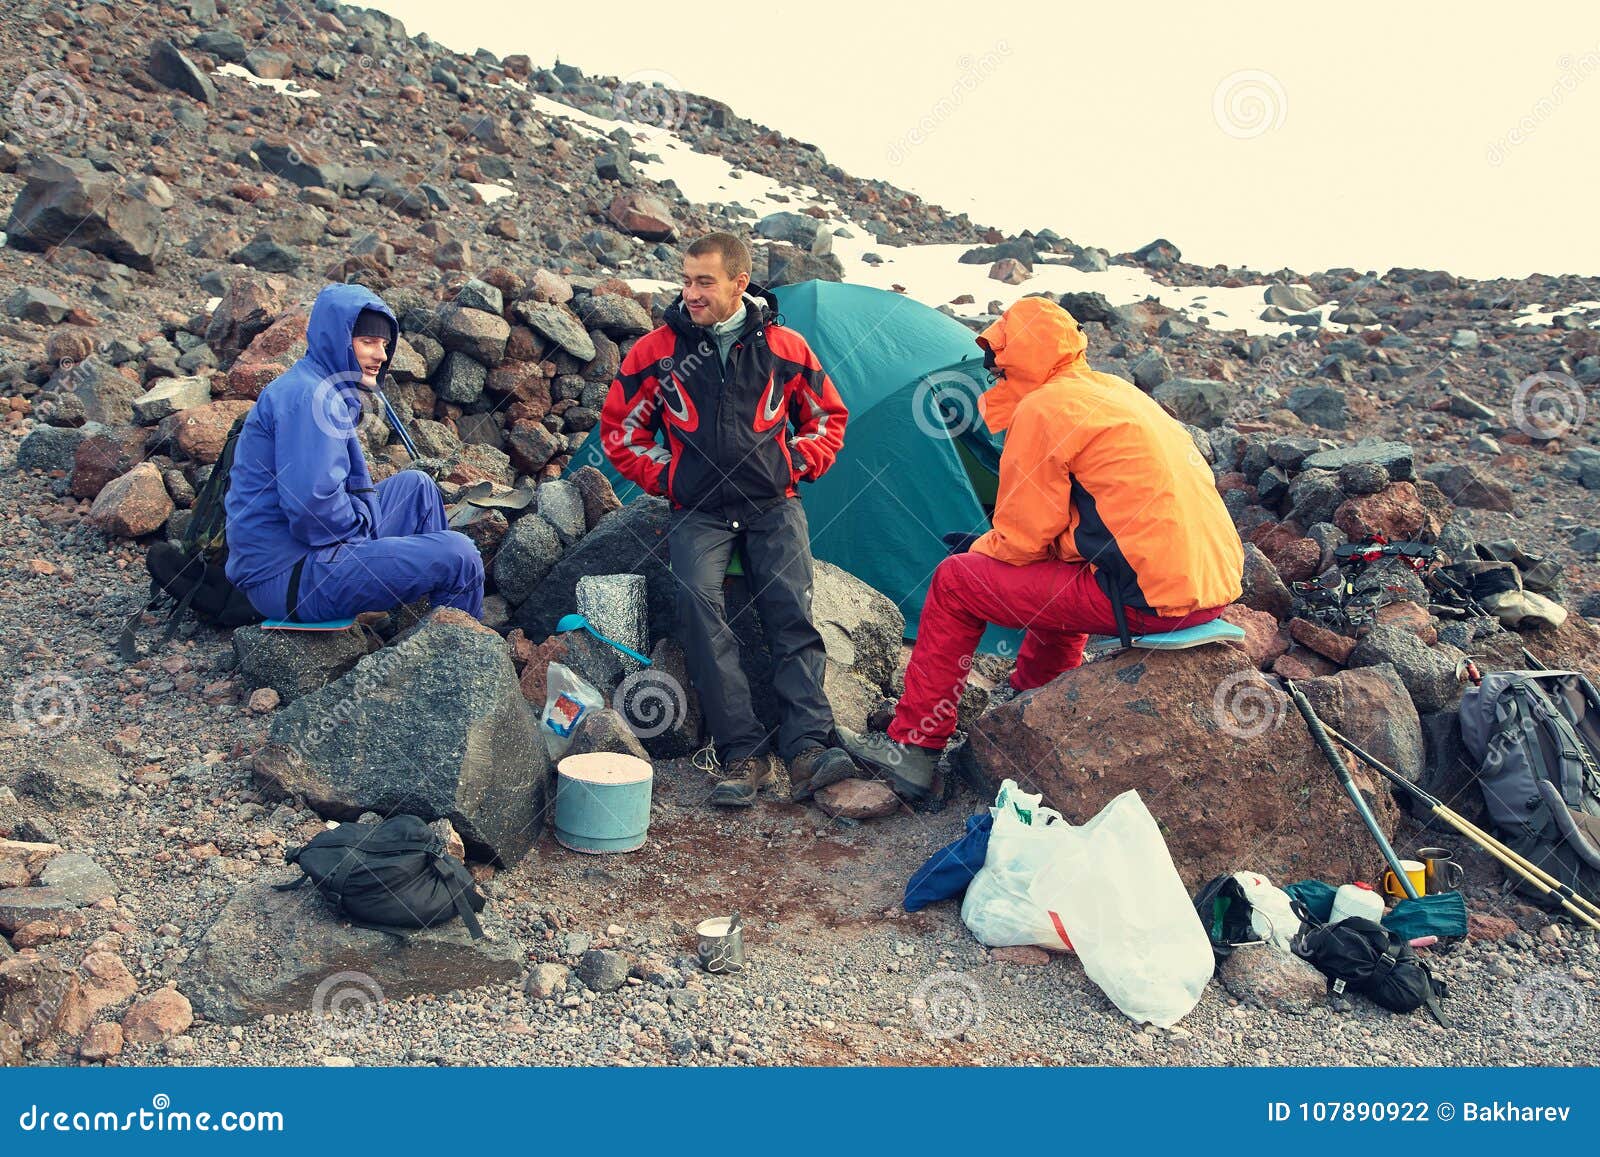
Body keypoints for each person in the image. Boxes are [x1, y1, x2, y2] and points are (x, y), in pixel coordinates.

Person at [839, 297, 1245, 798]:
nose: (992, 368)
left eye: (998, 356)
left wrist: (980, 548)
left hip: (1146, 597)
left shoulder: (1044, 407)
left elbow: (1025, 538)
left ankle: (914, 751)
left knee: (955, 582)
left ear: (1019, 356)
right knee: (1055, 575)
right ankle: (1032, 704)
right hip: (1207, 588)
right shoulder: (1112, 391)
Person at [600, 232, 855, 807]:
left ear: (739, 283)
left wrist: (792, 463)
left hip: (773, 505)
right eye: (685, 281)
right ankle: (743, 754)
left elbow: (828, 418)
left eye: (704, 282)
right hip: (700, 511)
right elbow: (621, 431)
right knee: (698, 606)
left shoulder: (786, 348)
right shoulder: (655, 354)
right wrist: (670, 480)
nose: (690, 293)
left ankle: (809, 750)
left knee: (791, 610)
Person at [224, 283, 484, 625]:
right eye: (367, 342)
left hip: (302, 555)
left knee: (416, 486)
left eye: (384, 344)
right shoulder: (310, 399)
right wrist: (360, 530)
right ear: (337, 339)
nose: (380, 355)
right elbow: (312, 510)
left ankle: (422, 623)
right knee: (460, 557)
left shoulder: (322, 385)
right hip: (290, 576)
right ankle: (461, 657)